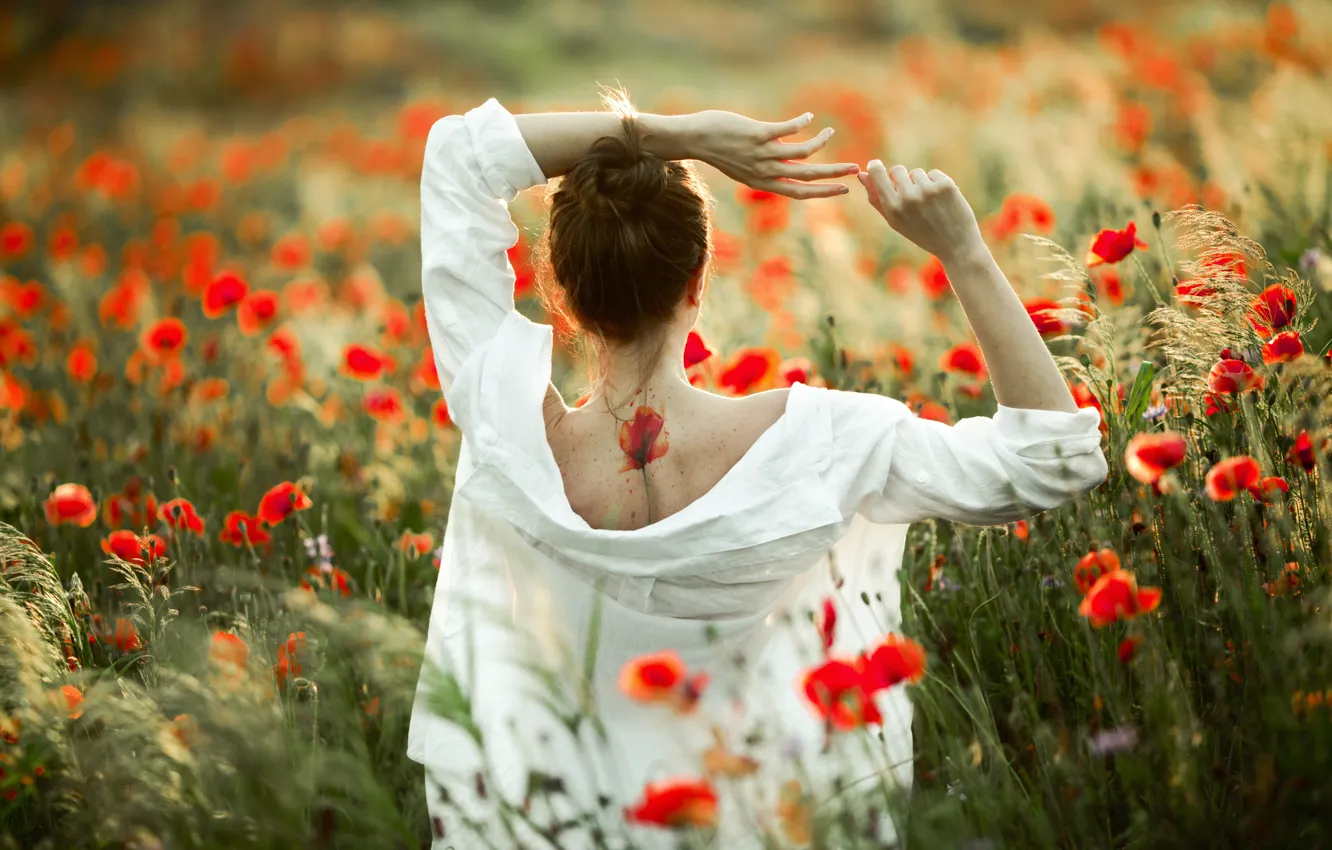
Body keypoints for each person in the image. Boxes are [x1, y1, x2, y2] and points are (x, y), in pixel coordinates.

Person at [407, 93, 1108, 849]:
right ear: (698, 282)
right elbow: (1052, 460)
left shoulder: (506, 435)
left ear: (565, 294)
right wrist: (964, 252)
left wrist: (679, 135)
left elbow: (459, 156)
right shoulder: (822, 444)